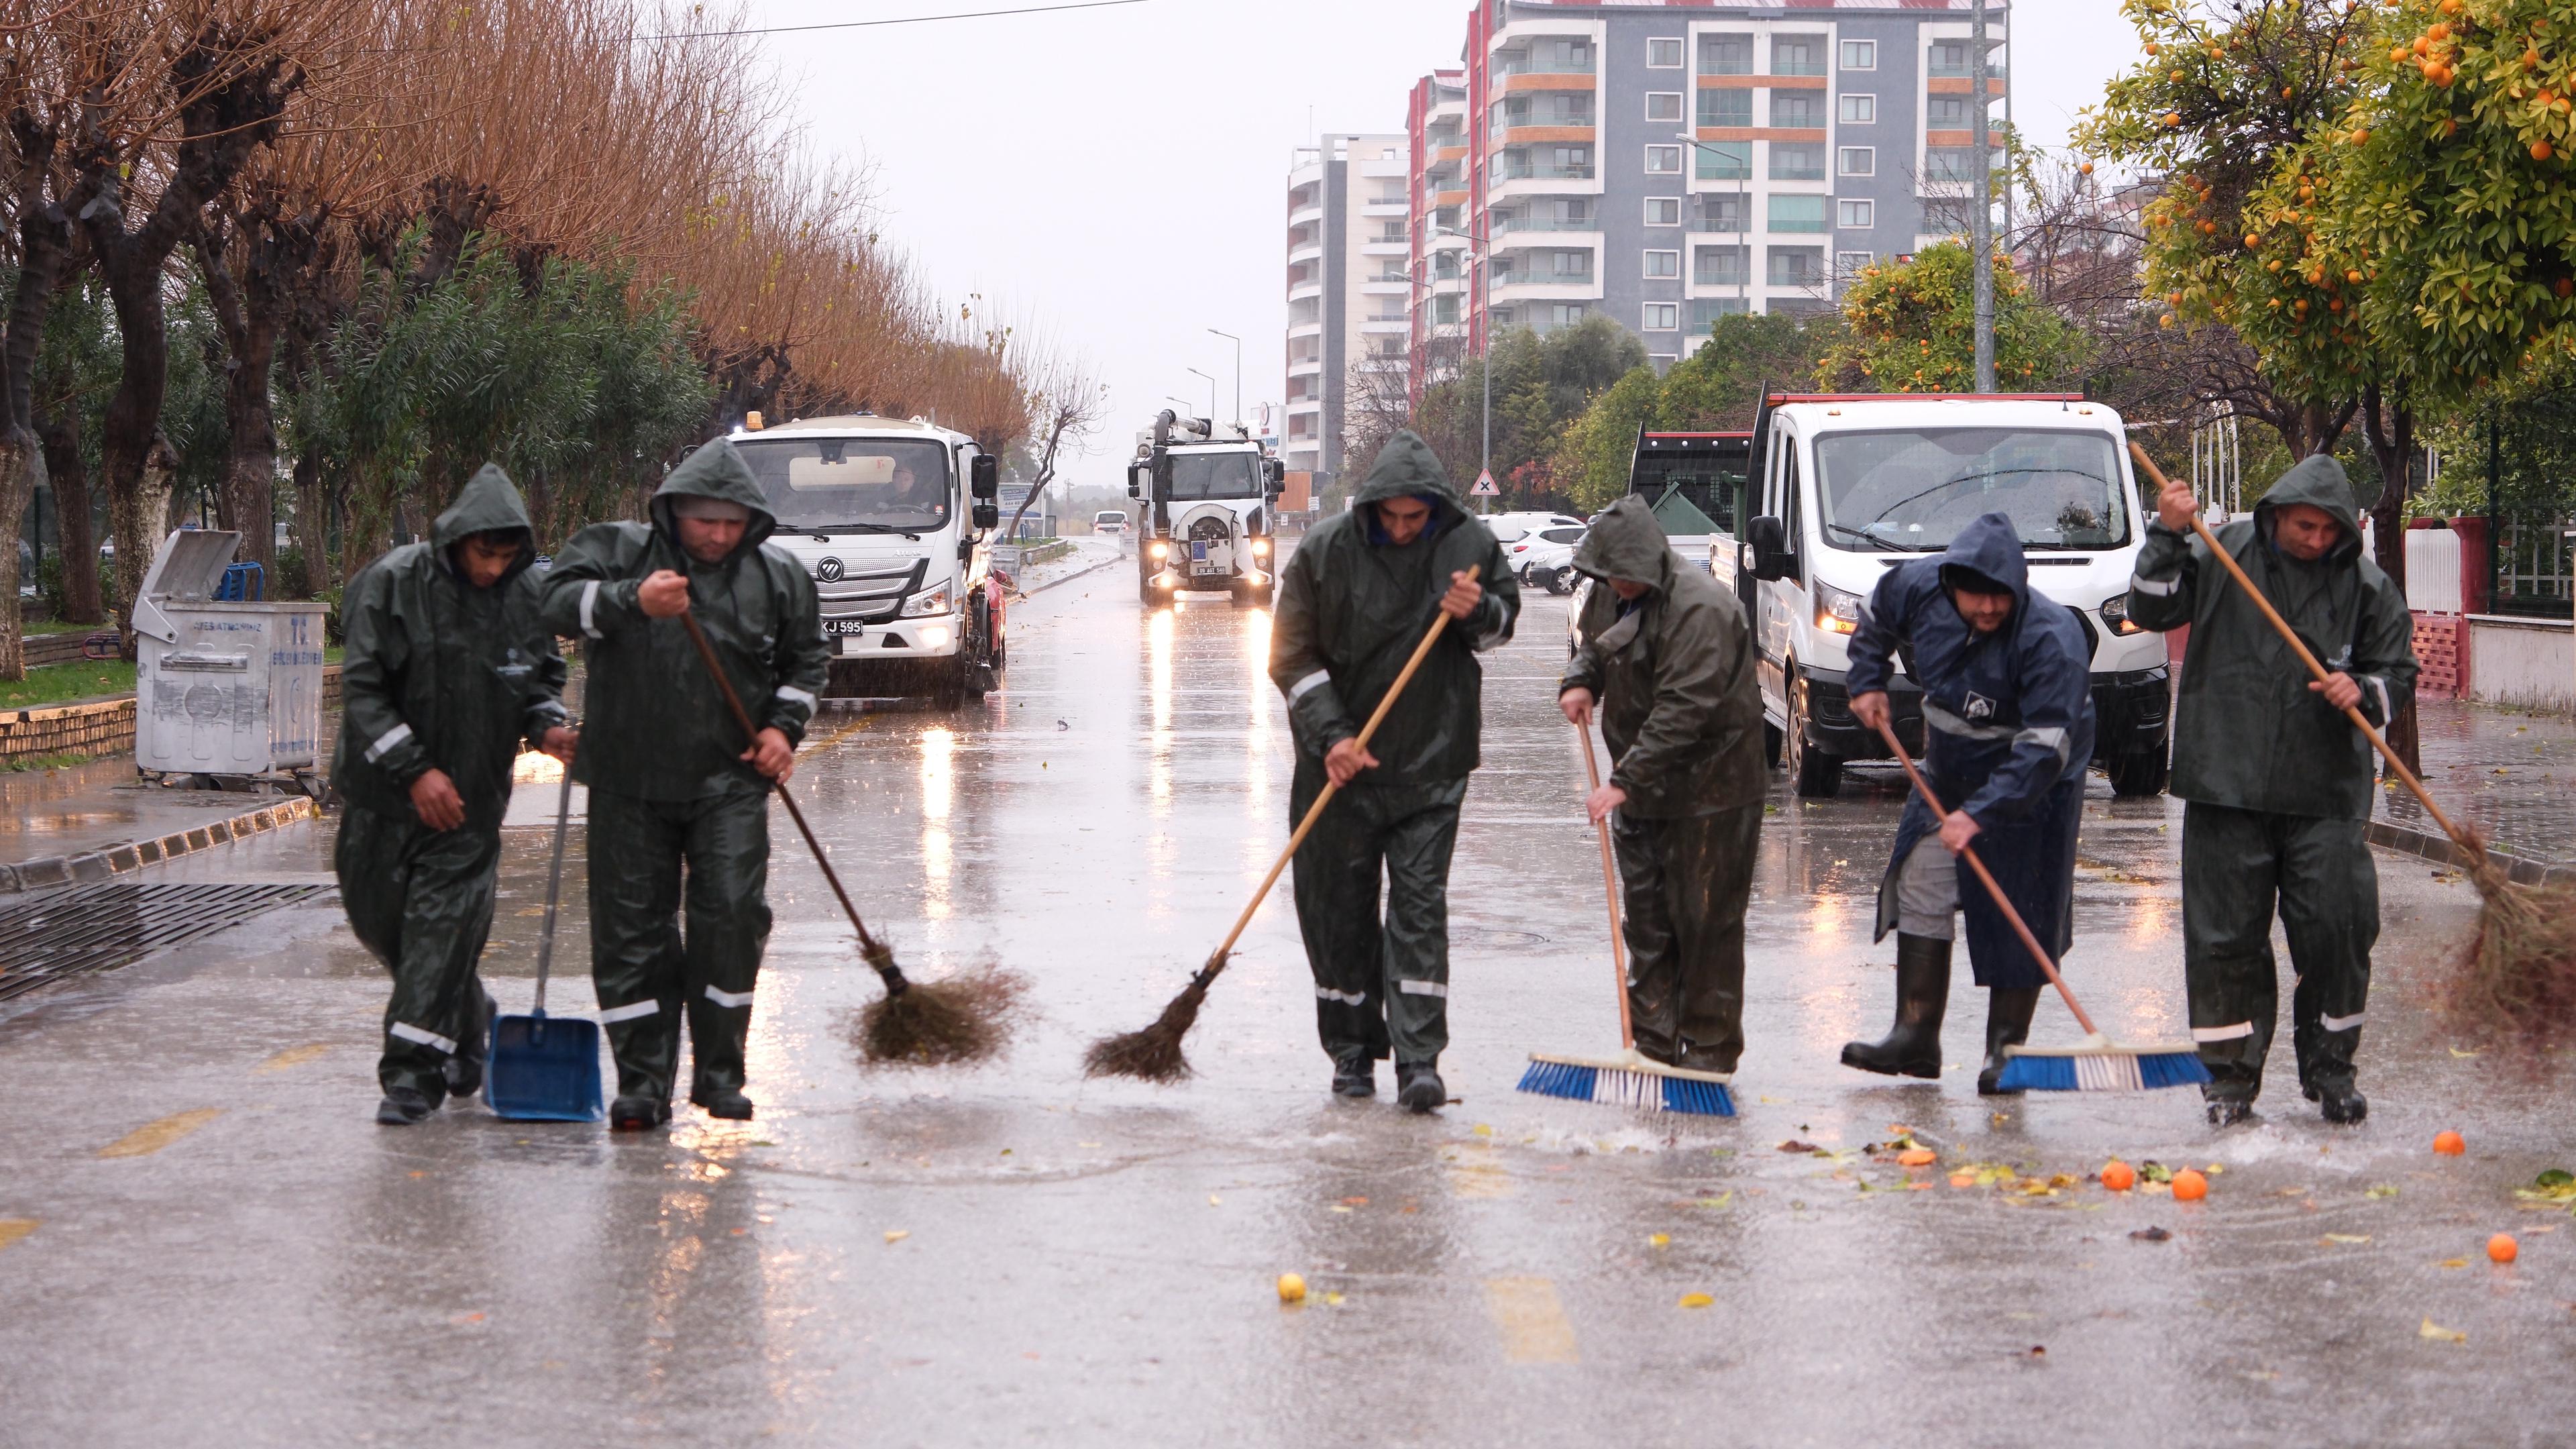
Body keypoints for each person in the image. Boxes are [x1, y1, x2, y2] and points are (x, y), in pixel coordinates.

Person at [540, 437, 828, 1130]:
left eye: (732, 523)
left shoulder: (779, 578)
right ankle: (641, 1082)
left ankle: (721, 1075)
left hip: (729, 781)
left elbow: (806, 664)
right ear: (675, 513)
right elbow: (549, 603)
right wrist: (629, 601)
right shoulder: (615, 551)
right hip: (625, 781)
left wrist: (783, 729)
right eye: (705, 522)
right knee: (631, 933)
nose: (719, 536)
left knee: (730, 915)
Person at [2127, 455, 2416, 1125]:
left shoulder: (2367, 587)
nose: (2316, 540)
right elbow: (2150, 607)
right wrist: (2167, 536)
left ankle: (2332, 1073)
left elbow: (2396, 670)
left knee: (2339, 930)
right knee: (2225, 941)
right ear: (2278, 513)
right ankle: (2228, 1081)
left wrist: (2364, 691)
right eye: (2304, 526)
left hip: (2327, 794)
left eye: (2328, 530)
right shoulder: (2223, 553)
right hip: (2228, 784)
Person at [1269, 430, 1518, 1112]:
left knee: (1418, 911)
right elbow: (1290, 657)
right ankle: (1352, 1055)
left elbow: (1503, 626)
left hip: (1431, 766)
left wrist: (1482, 613)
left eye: (1418, 518)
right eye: (1393, 517)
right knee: (1337, 914)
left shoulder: (1470, 548)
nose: (1405, 529)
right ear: (1371, 506)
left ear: (1434, 508)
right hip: (1338, 774)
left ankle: (1418, 1061)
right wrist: (1333, 737)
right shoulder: (1325, 553)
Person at [334, 464, 574, 1126]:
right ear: (456, 540)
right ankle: (474, 1019)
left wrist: (549, 725)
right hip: (379, 799)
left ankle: (411, 1079)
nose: (492, 569)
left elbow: (539, 678)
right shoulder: (394, 584)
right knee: (388, 931)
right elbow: (363, 690)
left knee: (438, 935)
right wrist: (414, 770)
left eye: (505, 556)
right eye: (482, 553)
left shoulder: (529, 593)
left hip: (467, 809)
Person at [1840, 512, 2096, 1094]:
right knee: (1923, 880)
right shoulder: (1918, 584)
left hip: (2037, 774)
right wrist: (1866, 680)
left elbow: (2045, 748)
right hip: (1949, 765)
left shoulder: (2052, 639)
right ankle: (1915, 1035)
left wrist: (1980, 814)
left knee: (2019, 903)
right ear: (1950, 582)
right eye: (1975, 596)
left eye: (1999, 598)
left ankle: (2006, 1052)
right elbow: (1876, 616)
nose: (1986, 609)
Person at [1556, 496, 1768, 1073]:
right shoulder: (1611, 589)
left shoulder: (1701, 611)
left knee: (1705, 925)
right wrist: (1580, 682)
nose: (1615, 586)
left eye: (1624, 576)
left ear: (1648, 564)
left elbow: (1683, 708)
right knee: (1647, 922)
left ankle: (1707, 1053)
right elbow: (1598, 647)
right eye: (1608, 576)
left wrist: (1623, 781)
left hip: (1714, 789)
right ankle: (1651, 1047)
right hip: (1644, 787)